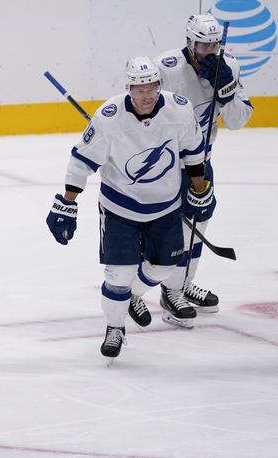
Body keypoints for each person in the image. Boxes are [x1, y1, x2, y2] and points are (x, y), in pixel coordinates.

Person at [46, 56, 214, 361]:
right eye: (139, 88)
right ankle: (115, 327)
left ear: (159, 85)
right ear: (129, 89)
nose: (147, 94)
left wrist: (199, 187)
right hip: (119, 207)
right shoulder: (109, 116)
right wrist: (67, 203)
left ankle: (134, 295)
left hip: (166, 207)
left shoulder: (178, 108)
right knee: (119, 275)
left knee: (164, 268)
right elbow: (81, 161)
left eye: (152, 86)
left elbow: (192, 151)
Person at [154, 14, 253, 317]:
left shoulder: (229, 68)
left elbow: (237, 121)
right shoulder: (166, 68)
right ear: (189, 42)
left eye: (214, 44)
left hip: (202, 163)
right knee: (173, 231)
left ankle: (184, 283)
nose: (209, 51)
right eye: (202, 45)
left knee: (198, 225)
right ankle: (169, 290)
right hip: (167, 164)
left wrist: (226, 92)